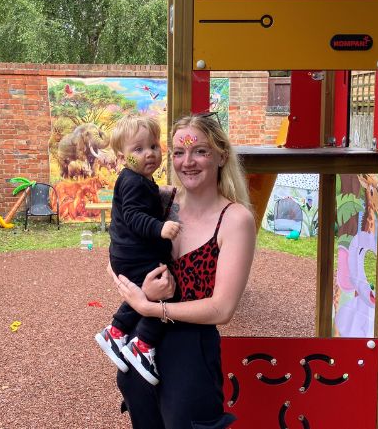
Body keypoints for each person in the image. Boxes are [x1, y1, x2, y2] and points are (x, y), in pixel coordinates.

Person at [111, 113, 257, 429]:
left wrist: (150, 306)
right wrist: (137, 291)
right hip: (140, 351)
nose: (187, 162)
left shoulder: (235, 220)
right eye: (179, 152)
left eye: (200, 151)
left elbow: (222, 309)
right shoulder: (164, 205)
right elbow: (119, 254)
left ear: (221, 155)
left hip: (189, 359)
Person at [95, 114, 182, 386]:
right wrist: (160, 228)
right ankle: (142, 346)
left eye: (154, 146)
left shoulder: (138, 179)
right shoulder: (133, 180)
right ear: (122, 155)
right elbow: (133, 215)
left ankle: (116, 331)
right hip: (134, 254)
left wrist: (158, 193)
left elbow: (140, 202)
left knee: (147, 290)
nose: (149, 154)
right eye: (139, 149)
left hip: (127, 253)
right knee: (166, 288)